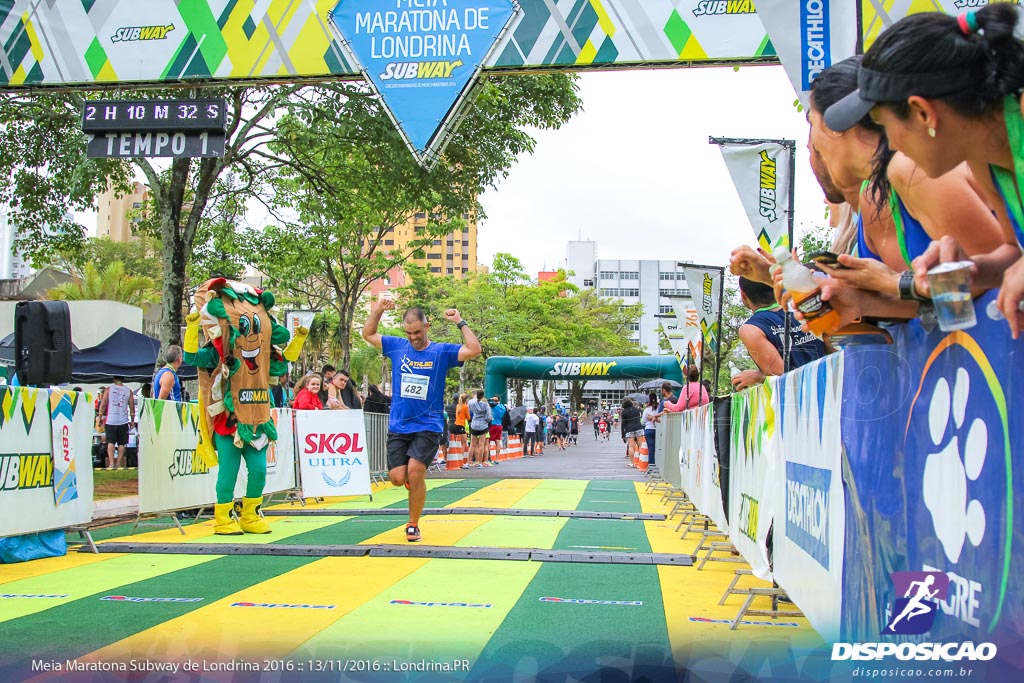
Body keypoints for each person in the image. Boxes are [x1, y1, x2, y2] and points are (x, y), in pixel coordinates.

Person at [824, 5, 1024, 335]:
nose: (890, 145)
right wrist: (971, 269)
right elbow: (1013, 254)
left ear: (922, 113)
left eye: (883, 126)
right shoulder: (983, 156)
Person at [362, 299, 481, 543]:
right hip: (399, 424)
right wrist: (380, 309)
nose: (413, 337)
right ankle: (413, 485)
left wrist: (459, 321)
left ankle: (413, 524)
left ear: (427, 326)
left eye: (417, 332)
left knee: (416, 472)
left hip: (428, 424)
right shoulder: (396, 346)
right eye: (409, 333)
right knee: (397, 478)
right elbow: (368, 333)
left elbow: (474, 349)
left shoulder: (441, 351)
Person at [732, 278, 828, 391]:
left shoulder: (751, 329)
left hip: (805, 399)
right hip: (836, 386)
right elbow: (834, 349)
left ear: (743, 294)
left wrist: (757, 376)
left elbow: (783, 378)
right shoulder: (804, 309)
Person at [99, 376, 134, 469]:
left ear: (114, 379)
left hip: (111, 420)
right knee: (122, 443)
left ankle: (111, 464)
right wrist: (132, 420)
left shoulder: (109, 389)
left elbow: (103, 405)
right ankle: (118, 463)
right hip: (123, 420)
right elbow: (131, 406)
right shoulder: (128, 391)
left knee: (110, 442)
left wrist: (99, 417)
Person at [468, 389, 492, 468]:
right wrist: (486, 421)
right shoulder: (485, 404)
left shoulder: (471, 402)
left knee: (472, 444)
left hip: (474, 424)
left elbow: (469, 411)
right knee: (481, 444)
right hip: (483, 425)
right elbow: (489, 416)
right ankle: (480, 462)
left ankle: (469, 462)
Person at [619, 398, 643, 466]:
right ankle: (641, 460)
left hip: (629, 430)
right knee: (640, 445)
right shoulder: (636, 409)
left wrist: (623, 435)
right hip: (639, 428)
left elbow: (623, 424)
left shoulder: (624, 412)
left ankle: (633, 463)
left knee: (631, 446)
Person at [488, 395, 506, 465]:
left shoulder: (493, 406)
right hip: (499, 425)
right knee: (498, 442)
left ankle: (488, 457)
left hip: (492, 424)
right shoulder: (503, 407)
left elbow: (487, 401)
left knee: (488, 441)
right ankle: (497, 458)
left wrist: (491, 398)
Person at [642, 393, 659, 466]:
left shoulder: (647, 409)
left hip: (648, 429)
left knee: (651, 449)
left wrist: (649, 420)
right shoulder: (659, 408)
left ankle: (651, 465)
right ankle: (658, 464)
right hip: (658, 430)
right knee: (658, 448)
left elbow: (643, 421)